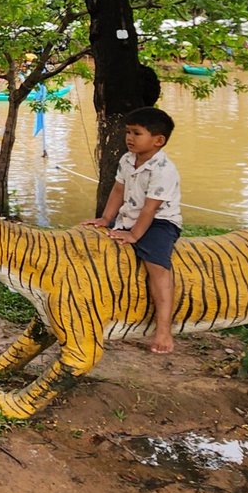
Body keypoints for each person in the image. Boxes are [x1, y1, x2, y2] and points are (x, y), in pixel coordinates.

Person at [83, 106, 182, 354]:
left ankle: (163, 330)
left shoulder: (163, 170)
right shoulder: (127, 159)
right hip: (128, 219)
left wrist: (135, 235)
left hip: (160, 222)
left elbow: (150, 208)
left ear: (158, 140)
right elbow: (118, 190)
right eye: (128, 132)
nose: (129, 137)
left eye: (136, 133)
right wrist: (106, 218)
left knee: (157, 268)